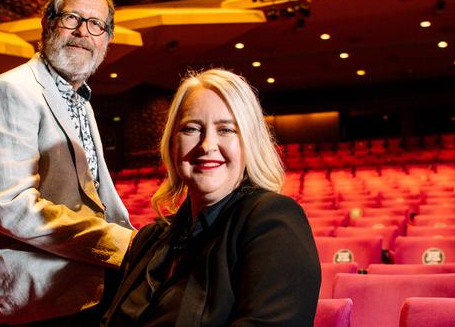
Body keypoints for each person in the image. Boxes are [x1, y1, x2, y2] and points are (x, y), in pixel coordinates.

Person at [0, 0, 134, 326]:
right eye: (72, 18)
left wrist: (140, 241)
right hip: (37, 290)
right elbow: (13, 209)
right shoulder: (11, 90)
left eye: (96, 24)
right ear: (48, 23)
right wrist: (121, 243)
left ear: (108, 39)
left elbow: (96, 196)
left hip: (80, 270)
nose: (83, 32)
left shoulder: (81, 100)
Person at [101, 69, 321, 326]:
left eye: (226, 129)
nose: (206, 145)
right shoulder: (151, 240)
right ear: (172, 144)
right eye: (191, 128)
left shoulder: (273, 222)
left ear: (249, 143)